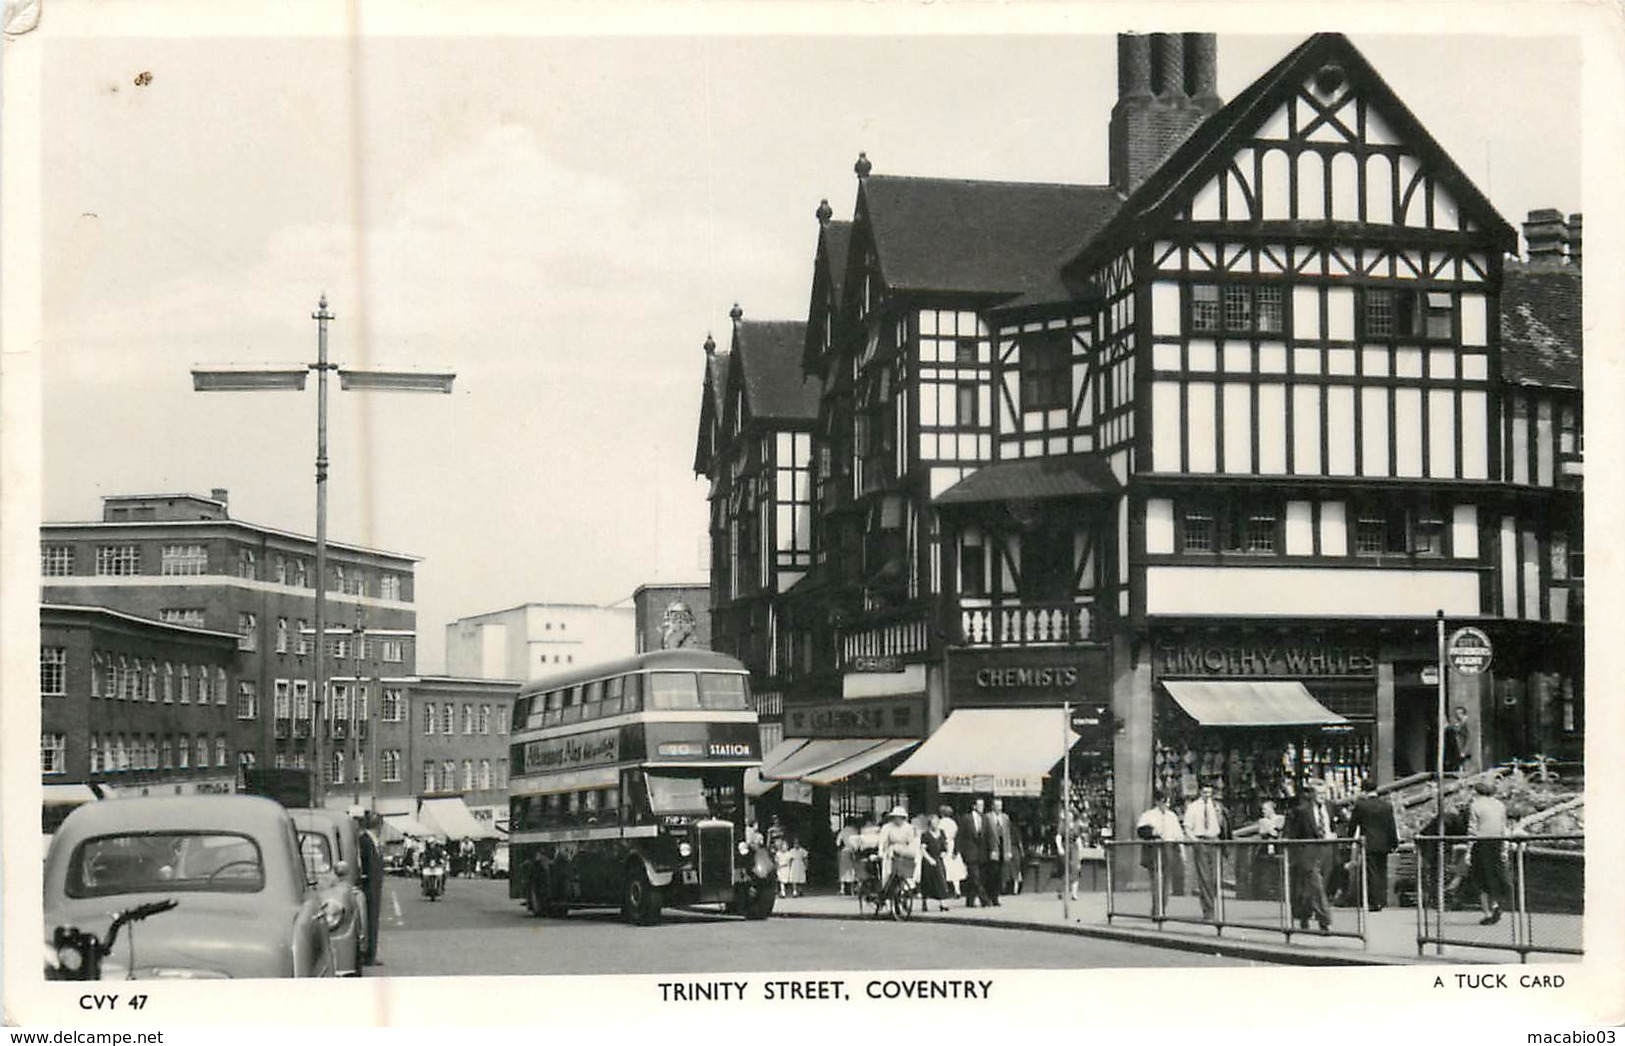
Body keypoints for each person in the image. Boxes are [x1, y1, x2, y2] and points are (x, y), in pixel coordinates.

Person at [1284, 779, 1336, 932]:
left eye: (1324, 793)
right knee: (1316, 885)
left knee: (1317, 888)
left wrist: (1335, 835)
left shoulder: (1331, 807)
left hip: (1327, 851)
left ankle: (1304, 915)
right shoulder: (1302, 811)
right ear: (1312, 794)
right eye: (1319, 793)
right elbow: (1294, 833)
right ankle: (1325, 920)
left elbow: (1339, 824)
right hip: (1309, 852)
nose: (1322, 796)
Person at [1348, 780, 1400, 911]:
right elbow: (1391, 825)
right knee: (1382, 871)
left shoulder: (1361, 806)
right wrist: (1394, 842)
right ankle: (1382, 900)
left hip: (1368, 843)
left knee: (1371, 873)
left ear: (1364, 790)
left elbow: (1353, 824)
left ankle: (1374, 901)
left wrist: (1349, 838)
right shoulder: (1386, 806)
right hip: (1384, 844)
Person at [1465, 778, 1510, 925]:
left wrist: (1468, 852)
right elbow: (1504, 826)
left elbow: (1472, 829)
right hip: (1496, 842)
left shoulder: (1475, 805)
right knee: (1494, 876)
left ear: (1477, 791)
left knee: (1480, 878)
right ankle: (1496, 904)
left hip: (1481, 843)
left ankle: (1488, 912)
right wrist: (1504, 848)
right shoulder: (1500, 805)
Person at [1182, 780, 1227, 920]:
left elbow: (1222, 825)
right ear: (1200, 792)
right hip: (1201, 841)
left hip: (1214, 841)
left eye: (1210, 792)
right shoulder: (1193, 807)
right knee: (1205, 877)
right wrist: (1195, 841)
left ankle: (1212, 906)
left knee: (1214, 877)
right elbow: (1187, 827)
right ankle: (1208, 911)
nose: (1208, 795)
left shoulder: (1217, 806)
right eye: (1205, 792)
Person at [1135, 791, 1184, 918]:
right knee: (1156, 880)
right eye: (1163, 802)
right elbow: (1141, 831)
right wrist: (1154, 832)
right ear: (1157, 802)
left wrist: (1181, 851)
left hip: (1169, 848)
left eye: (1167, 802)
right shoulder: (1148, 815)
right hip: (1154, 850)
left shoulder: (1172, 816)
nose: (1166, 805)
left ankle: (1162, 908)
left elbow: (1178, 834)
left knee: (1166, 881)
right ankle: (1158, 910)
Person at [350, 808, 384, 964]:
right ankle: (369, 955)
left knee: (373, 920)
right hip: (369, 886)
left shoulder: (372, 840)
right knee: (369, 920)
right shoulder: (365, 840)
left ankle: (371, 953)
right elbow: (365, 864)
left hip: (374, 886)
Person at [955, 800, 992, 908]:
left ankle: (969, 901)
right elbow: (960, 835)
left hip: (982, 853)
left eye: (983, 805)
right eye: (980, 805)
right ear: (974, 806)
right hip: (970, 852)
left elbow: (988, 836)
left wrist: (991, 850)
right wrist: (956, 850)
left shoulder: (985, 819)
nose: (982, 807)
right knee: (975, 877)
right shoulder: (966, 818)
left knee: (977, 878)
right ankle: (984, 899)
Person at [876, 807, 919, 894]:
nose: (898, 819)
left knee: (908, 869)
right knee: (888, 872)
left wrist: (911, 851)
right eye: (896, 817)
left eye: (900, 817)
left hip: (904, 851)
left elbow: (911, 841)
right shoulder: (887, 827)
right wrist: (881, 851)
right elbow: (882, 840)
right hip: (891, 851)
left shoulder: (908, 828)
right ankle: (885, 891)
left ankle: (906, 889)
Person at [918, 814, 950, 911]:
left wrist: (944, 853)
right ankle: (925, 902)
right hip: (929, 861)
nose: (935, 825)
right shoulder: (926, 835)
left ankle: (942, 903)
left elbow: (945, 846)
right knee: (927, 882)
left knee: (941, 880)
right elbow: (922, 849)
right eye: (933, 823)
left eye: (936, 823)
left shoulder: (942, 833)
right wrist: (929, 859)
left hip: (938, 859)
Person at [993, 798, 1023, 896]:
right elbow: (1019, 842)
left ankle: (1004, 889)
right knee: (1015, 871)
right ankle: (1014, 889)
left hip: (1009, 849)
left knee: (1005, 871)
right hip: (1013, 850)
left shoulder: (1007, 826)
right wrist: (1022, 852)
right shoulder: (1015, 829)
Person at [1054, 807, 1084, 901]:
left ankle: (1074, 894)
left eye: (1071, 813)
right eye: (1068, 813)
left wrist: (1081, 850)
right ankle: (1060, 890)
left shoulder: (1076, 825)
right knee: (1064, 869)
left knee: (1075, 869)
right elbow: (1058, 837)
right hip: (1065, 847)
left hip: (1074, 848)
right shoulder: (1062, 824)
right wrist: (1059, 847)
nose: (1070, 815)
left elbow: (1078, 838)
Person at [938, 805, 966, 898]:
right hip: (952, 845)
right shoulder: (953, 823)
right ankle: (957, 889)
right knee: (955, 869)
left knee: (944, 867)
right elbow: (957, 835)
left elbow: (940, 835)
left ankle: (945, 889)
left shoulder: (940, 823)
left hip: (945, 845)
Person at [1443, 706, 1472, 774]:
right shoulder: (1455, 726)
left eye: (1460, 714)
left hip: (1463, 752)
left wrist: (1464, 751)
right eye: (1457, 714)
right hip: (1456, 752)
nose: (1458, 716)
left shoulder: (1466, 726)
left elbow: (1468, 739)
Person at [836, 818, 860, 896]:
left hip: (845, 850)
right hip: (854, 851)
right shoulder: (855, 831)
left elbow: (838, 843)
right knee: (854, 869)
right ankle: (854, 888)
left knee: (843, 870)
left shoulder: (843, 831)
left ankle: (842, 889)